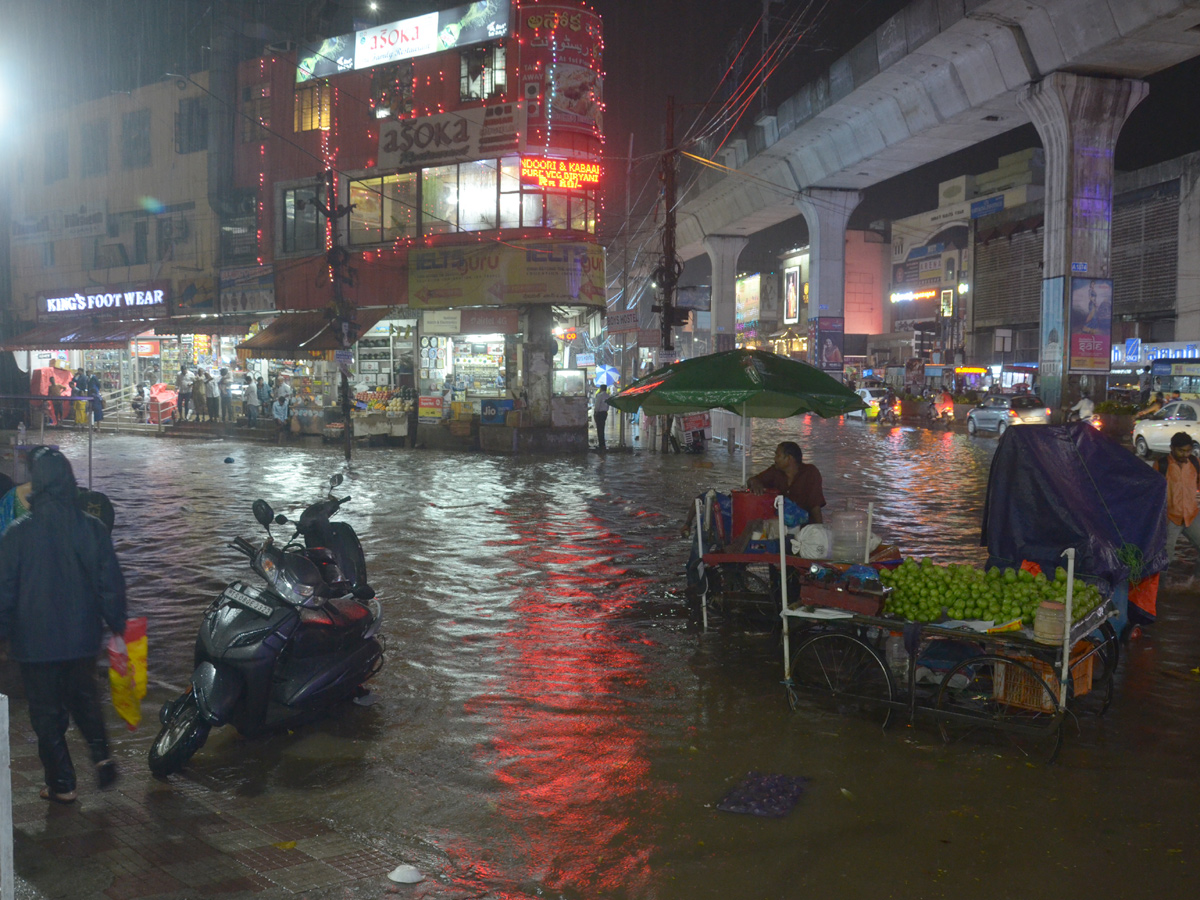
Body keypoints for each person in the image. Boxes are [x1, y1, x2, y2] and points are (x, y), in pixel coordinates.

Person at [0, 448, 127, 803]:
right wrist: (116, 625)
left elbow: (5, 591)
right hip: (81, 638)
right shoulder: (93, 528)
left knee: (47, 716)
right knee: (85, 700)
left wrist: (3, 635)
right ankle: (102, 757)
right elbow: (110, 584)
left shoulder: (16, 534)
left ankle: (62, 783)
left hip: (35, 644)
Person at [1157, 432, 1200, 586]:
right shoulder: (1162, 465)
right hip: (1171, 518)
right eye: (1181, 451)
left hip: (1192, 515)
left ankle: (1196, 582)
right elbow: (1153, 493)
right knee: (1165, 556)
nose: (1185, 454)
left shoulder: (1195, 463)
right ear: (1172, 448)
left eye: (1188, 450)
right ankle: (1160, 589)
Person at [746, 441, 825, 525]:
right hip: (780, 525)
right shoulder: (775, 471)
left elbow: (815, 505)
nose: (775, 459)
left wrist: (819, 528)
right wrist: (755, 483)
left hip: (805, 525)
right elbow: (753, 479)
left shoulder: (810, 472)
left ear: (789, 458)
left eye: (778, 455)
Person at [593, 385, 610, 451]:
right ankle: (602, 444)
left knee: (599, 428)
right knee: (602, 427)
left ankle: (601, 444)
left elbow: (597, 405)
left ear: (601, 389)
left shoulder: (599, 396)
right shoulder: (608, 396)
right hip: (604, 413)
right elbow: (608, 406)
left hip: (599, 413)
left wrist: (595, 413)